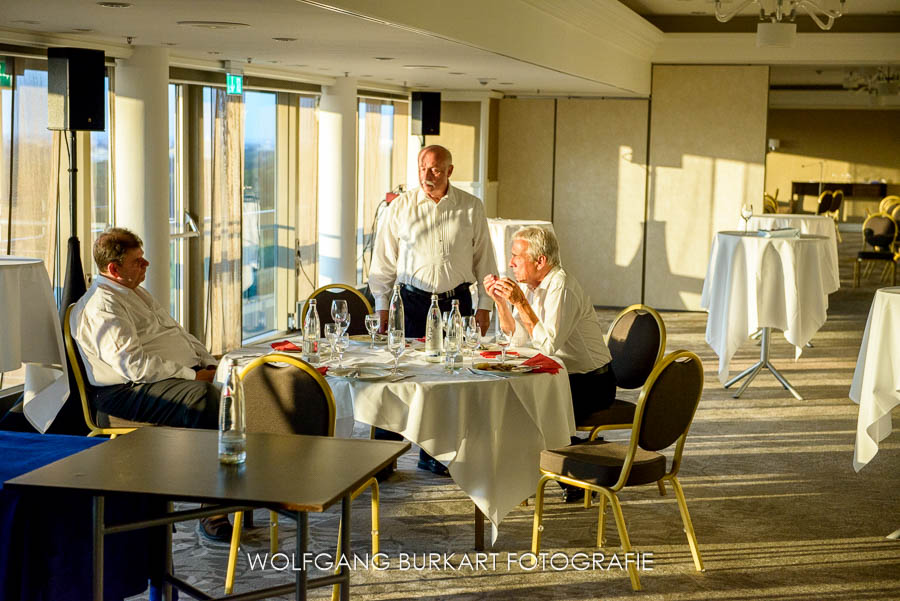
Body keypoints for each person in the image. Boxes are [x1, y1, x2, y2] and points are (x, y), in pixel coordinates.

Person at [71, 227, 231, 541]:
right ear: (114, 269)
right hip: (123, 391)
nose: (146, 266)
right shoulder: (103, 306)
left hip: (161, 377)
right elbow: (133, 366)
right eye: (138, 261)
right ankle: (213, 508)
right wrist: (193, 375)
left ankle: (242, 487)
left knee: (245, 382)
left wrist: (211, 362)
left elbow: (178, 335)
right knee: (204, 398)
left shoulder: (133, 291)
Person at [368, 144, 498, 476]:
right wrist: (382, 306)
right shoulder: (400, 208)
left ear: (450, 172)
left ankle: (435, 453)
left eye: (436, 169)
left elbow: (485, 260)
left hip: (456, 302)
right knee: (399, 375)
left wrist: (484, 305)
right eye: (423, 167)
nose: (428, 174)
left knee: (447, 379)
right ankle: (384, 455)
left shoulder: (471, 207)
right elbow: (382, 262)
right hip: (411, 301)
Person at [483, 226, 615, 501]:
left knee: (526, 409)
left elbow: (547, 346)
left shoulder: (561, 287)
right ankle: (567, 466)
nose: (510, 263)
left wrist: (521, 303)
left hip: (593, 381)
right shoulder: (533, 287)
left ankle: (581, 466)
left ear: (540, 261)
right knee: (516, 401)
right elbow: (518, 339)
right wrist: (502, 304)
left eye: (516, 257)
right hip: (564, 375)